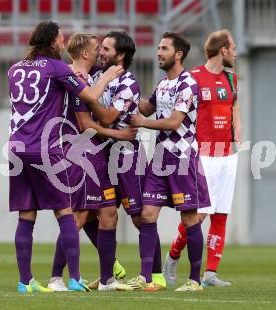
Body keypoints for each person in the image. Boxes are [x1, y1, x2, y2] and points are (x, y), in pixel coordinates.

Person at [7, 21, 123, 293]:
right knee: (66, 212)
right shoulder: (56, 68)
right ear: (51, 42)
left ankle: (25, 282)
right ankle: (72, 278)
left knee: (26, 215)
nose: (64, 43)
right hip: (45, 148)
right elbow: (91, 95)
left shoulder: (14, 69)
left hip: (16, 147)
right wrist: (106, 78)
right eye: (60, 39)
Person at [47, 32, 135, 291]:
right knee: (79, 215)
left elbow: (109, 69)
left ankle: (108, 279)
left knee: (108, 213)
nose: (100, 53)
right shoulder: (75, 79)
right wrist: (120, 133)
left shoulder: (89, 74)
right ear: (86, 53)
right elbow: (86, 124)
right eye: (98, 48)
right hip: (80, 152)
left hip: (97, 154)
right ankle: (55, 278)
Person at [85, 30, 166, 290]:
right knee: (101, 214)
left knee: (140, 217)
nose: (101, 52)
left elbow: (108, 118)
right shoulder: (96, 75)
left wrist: (88, 100)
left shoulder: (128, 83)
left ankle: (156, 275)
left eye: (107, 49)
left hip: (126, 155)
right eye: (101, 48)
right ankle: (109, 274)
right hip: (100, 152)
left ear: (120, 55)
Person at [130, 32, 210, 292]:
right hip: (161, 158)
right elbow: (146, 108)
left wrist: (142, 123)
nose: (158, 52)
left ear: (178, 54)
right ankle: (147, 278)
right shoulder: (164, 83)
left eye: (164, 48)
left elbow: (174, 123)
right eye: (158, 47)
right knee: (147, 214)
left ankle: (195, 280)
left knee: (190, 219)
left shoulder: (188, 84)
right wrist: (123, 90)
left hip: (183, 158)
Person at [162, 29, 241, 287]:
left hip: (227, 155)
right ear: (224, 50)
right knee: (198, 215)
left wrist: (237, 139)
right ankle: (173, 256)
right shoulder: (194, 78)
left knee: (221, 214)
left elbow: (234, 109)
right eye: (234, 47)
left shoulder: (232, 79)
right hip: (202, 154)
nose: (236, 53)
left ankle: (210, 274)